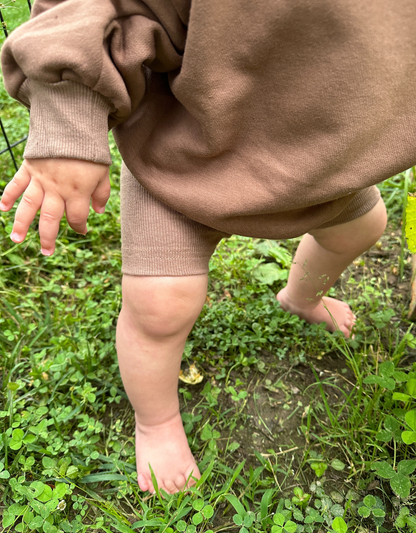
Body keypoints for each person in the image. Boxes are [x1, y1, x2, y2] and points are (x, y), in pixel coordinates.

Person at [3, 0, 413, 495]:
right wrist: (67, 116)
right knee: (160, 305)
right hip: (183, 165)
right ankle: (155, 422)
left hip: (327, 171)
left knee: (363, 228)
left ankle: (300, 297)